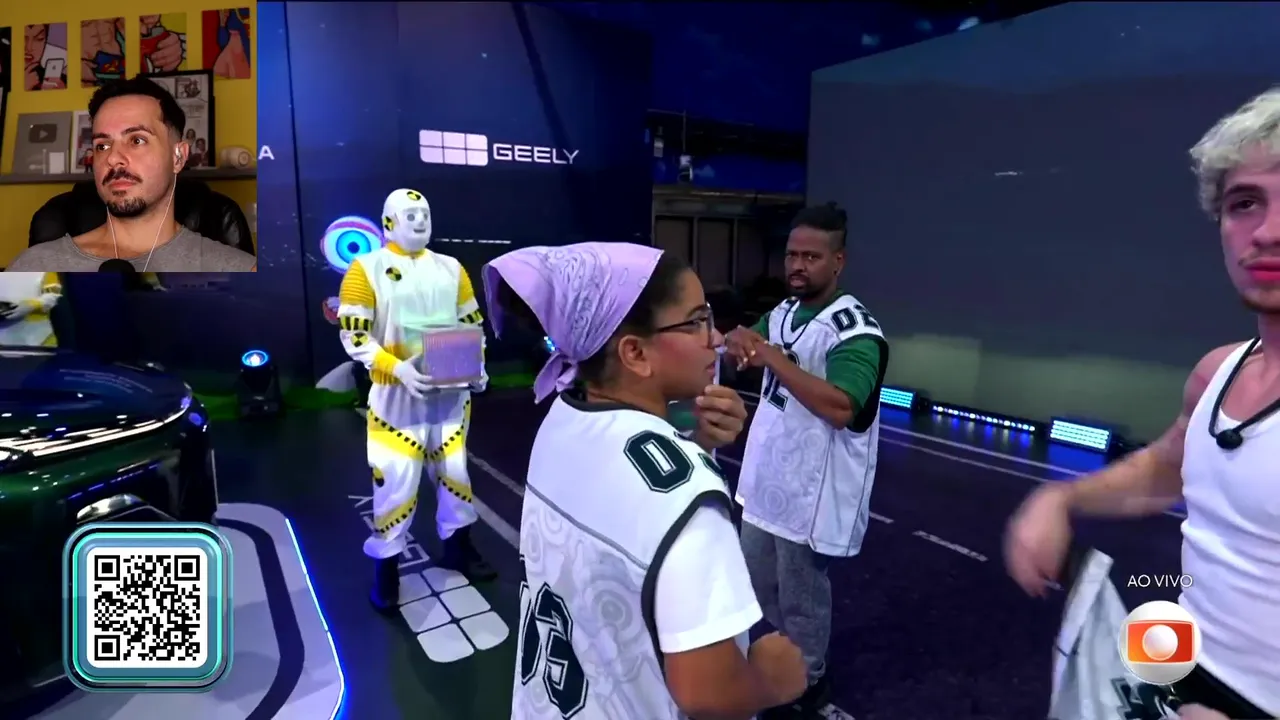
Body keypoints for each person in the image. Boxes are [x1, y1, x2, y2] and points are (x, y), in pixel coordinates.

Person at [1005, 88, 1280, 720]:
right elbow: (1166, 469)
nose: (1267, 232)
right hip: (1179, 678)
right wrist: (1061, 498)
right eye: (1245, 203)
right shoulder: (1217, 373)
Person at [484, 242, 808, 720]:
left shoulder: (561, 416)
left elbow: (627, 509)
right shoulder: (689, 497)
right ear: (634, 352)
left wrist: (697, 443)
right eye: (696, 321)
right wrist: (771, 681)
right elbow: (707, 693)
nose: (716, 337)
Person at [725, 203, 890, 719]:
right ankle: (783, 660)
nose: (797, 265)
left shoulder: (854, 331)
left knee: (801, 595)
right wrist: (737, 341)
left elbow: (842, 407)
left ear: (838, 261)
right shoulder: (782, 313)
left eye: (811, 257)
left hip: (812, 490)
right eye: (792, 255)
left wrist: (771, 357)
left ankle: (809, 681)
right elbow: (744, 347)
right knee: (754, 583)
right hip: (766, 479)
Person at [337, 188, 494, 612]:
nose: (421, 220)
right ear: (388, 222)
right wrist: (396, 368)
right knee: (395, 483)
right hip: (396, 401)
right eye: (411, 214)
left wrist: (477, 368)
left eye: (424, 213)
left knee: (456, 476)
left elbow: (471, 324)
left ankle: (459, 547)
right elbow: (354, 335)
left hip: (450, 398)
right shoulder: (365, 269)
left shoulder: (451, 268)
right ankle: (387, 568)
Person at [6, 77, 257, 272]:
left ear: (178, 157)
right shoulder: (32, 268)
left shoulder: (239, 270)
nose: (113, 158)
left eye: (137, 140)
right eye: (102, 145)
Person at [0, 273, 61, 347]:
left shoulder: (47, 272)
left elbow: (56, 296)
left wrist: (32, 305)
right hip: (4, 338)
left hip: (39, 336)